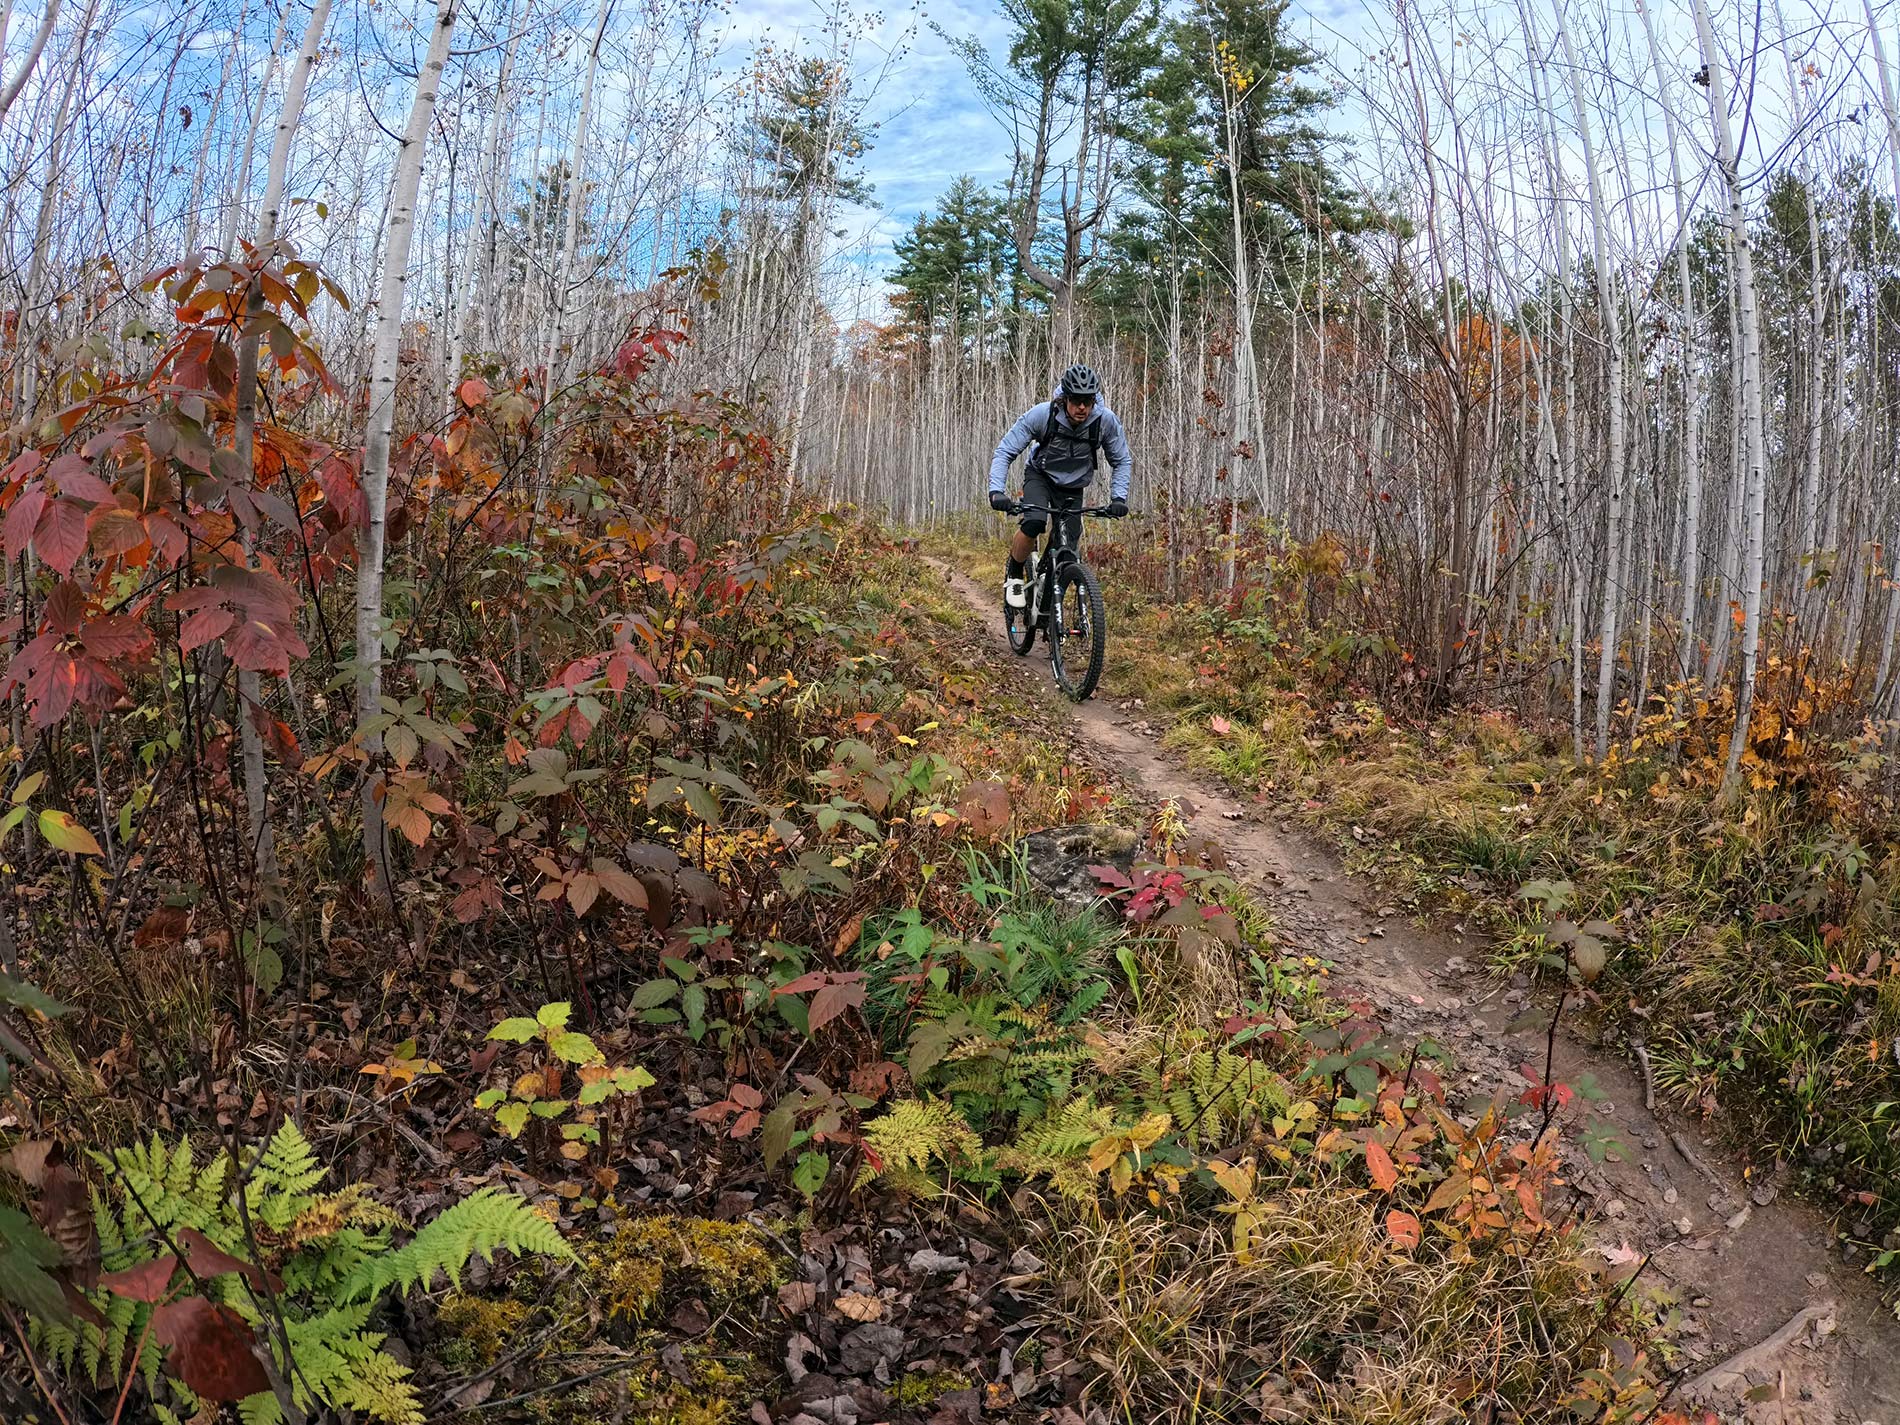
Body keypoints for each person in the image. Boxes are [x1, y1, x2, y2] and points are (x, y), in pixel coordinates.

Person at [987, 363, 1131, 610]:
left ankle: (1048, 604)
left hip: (1073, 486)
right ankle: (1015, 573)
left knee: (1067, 550)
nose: (1082, 407)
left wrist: (1119, 498)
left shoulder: (1105, 422)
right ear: (1065, 398)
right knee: (1034, 522)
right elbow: (1005, 451)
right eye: (1076, 401)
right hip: (1040, 476)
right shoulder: (1043, 414)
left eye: (1087, 401)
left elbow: (1122, 460)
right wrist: (996, 491)